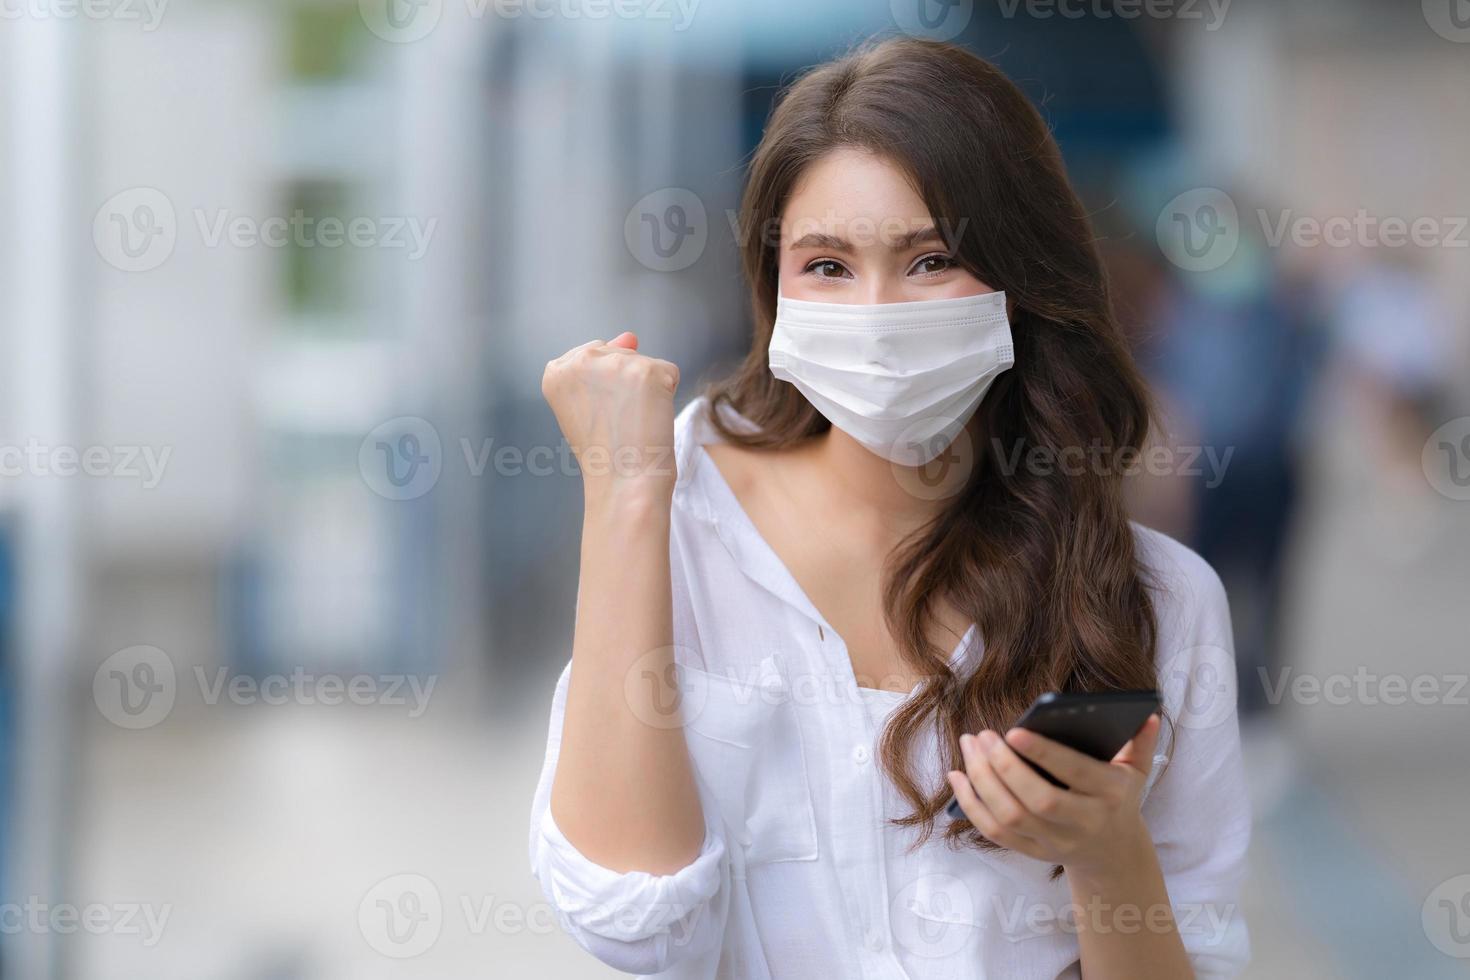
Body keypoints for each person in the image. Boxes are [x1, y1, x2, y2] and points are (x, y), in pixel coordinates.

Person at [530, 37, 1250, 979]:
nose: (876, 314)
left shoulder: (1158, 599)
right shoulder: (678, 532)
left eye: (931, 259)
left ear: (1020, 282)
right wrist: (626, 497)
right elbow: (637, 924)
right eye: (827, 265)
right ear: (772, 284)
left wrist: (1107, 850)